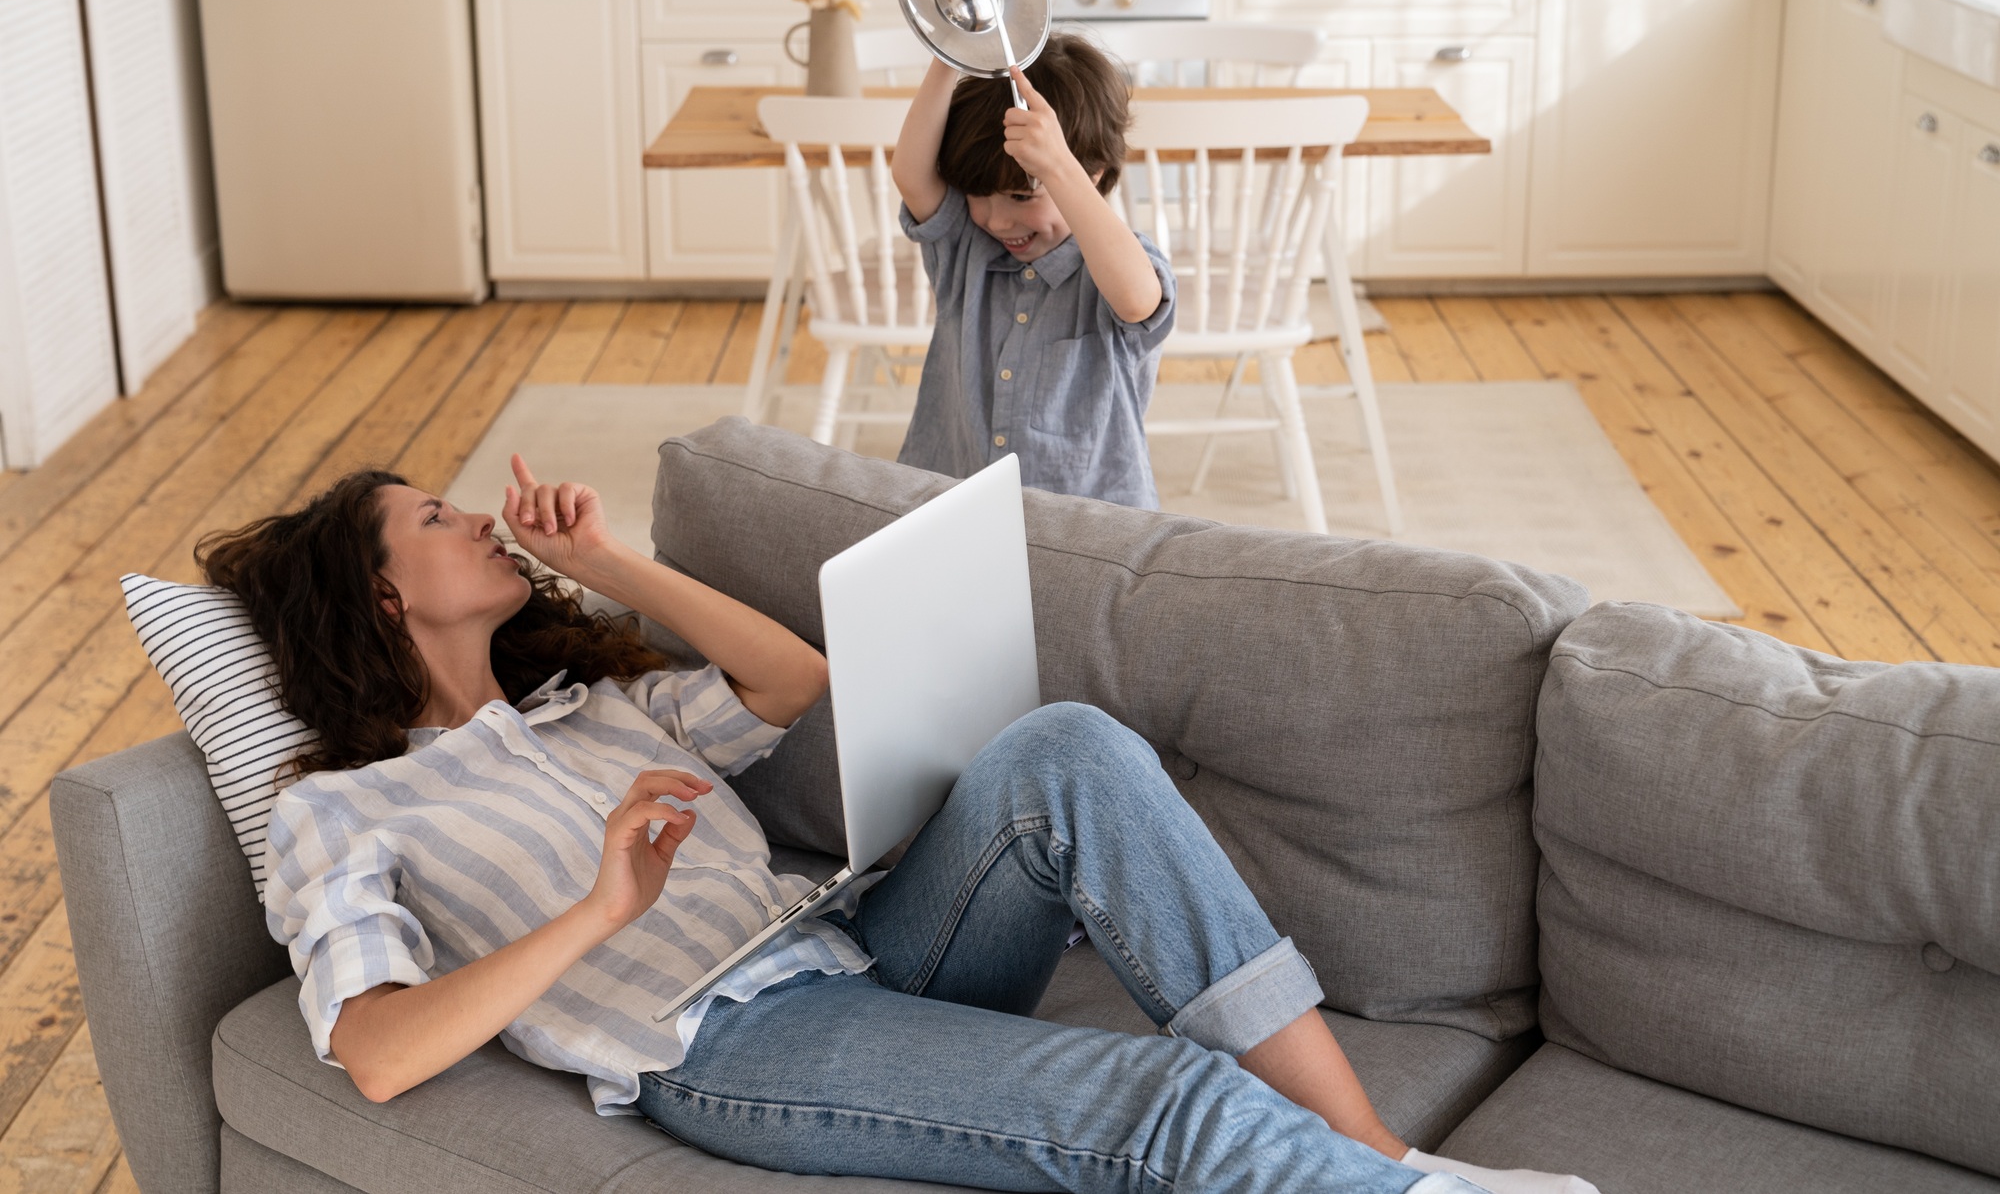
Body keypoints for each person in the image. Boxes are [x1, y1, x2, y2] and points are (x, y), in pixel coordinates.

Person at [197, 457, 1596, 1194]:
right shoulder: (344, 806)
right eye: (440, 520)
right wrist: (595, 914)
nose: (480, 522)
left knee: (1066, 748)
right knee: (1158, 1101)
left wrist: (605, 560)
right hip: (724, 1038)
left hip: (851, 947)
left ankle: (1378, 1158)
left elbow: (793, 685)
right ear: (384, 599)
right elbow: (379, 1052)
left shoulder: (585, 706)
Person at [890, 35, 1173, 510]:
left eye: (1023, 197)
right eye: (979, 194)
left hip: (1091, 533)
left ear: (1092, 175)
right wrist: (949, 52)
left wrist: (1058, 165)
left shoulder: (1116, 266)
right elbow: (911, 174)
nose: (998, 220)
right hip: (955, 510)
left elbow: (1137, 300)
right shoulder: (967, 248)